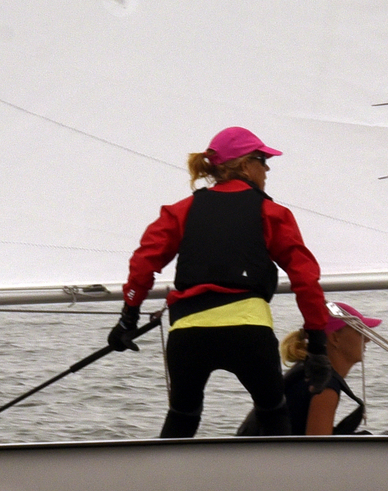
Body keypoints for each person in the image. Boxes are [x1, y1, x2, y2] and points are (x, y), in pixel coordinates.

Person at [108, 127, 332, 438]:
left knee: (183, 416)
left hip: (189, 337)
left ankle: (163, 483)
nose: (267, 167)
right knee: (273, 413)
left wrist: (128, 317)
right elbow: (305, 279)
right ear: (244, 165)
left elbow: (143, 264)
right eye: (262, 159)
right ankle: (282, 481)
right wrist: (318, 347)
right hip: (248, 334)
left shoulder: (180, 211)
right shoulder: (271, 213)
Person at [240, 302, 381, 436]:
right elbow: (317, 453)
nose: (367, 339)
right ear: (335, 338)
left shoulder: (307, 372)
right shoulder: (324, 385)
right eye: (359, 331)